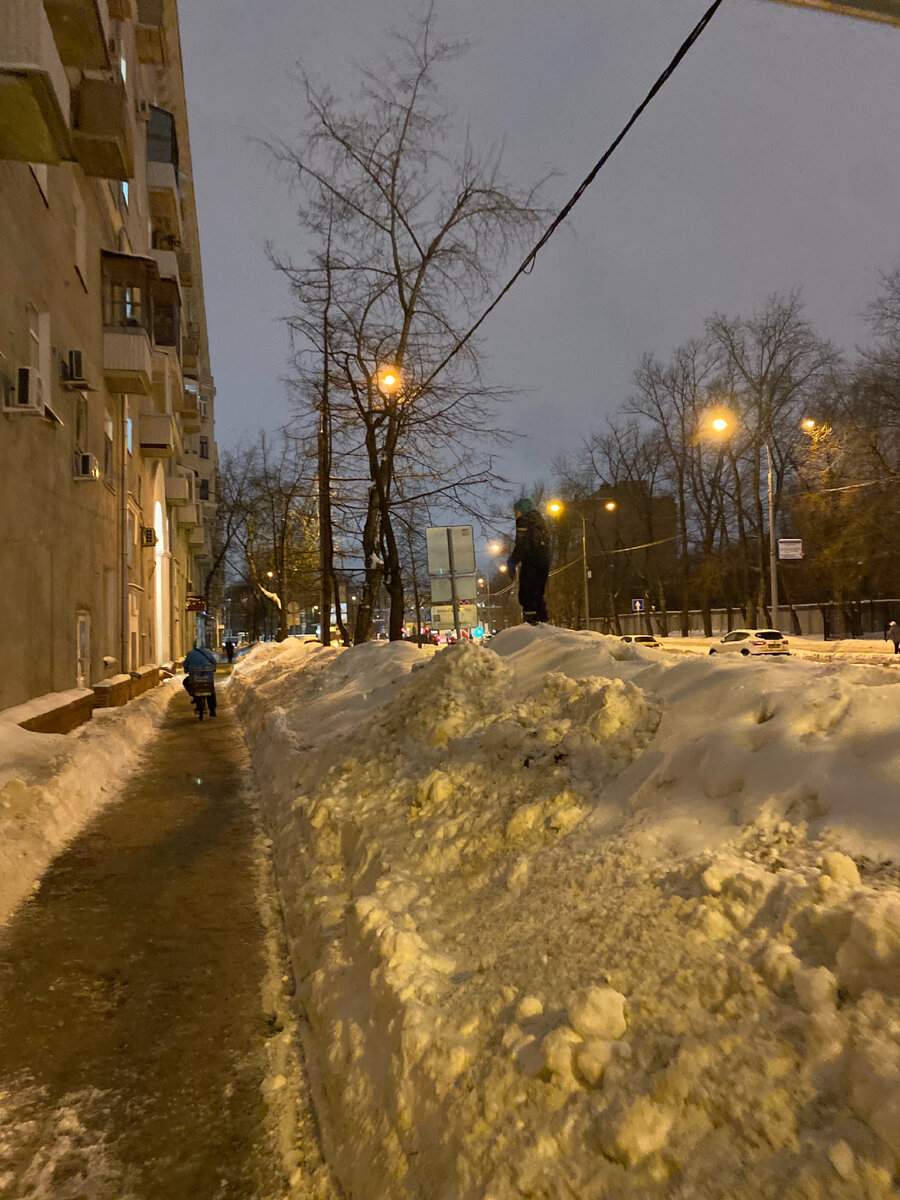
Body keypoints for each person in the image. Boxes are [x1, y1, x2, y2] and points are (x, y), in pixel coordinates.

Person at [507, 497, 551, 625]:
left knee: (527, 592)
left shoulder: (524, 522)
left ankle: (531, 622)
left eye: (517, 511)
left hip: (531, 560)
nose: (516, 514)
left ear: (523, 510)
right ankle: (543, 620)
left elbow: (522, 545)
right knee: (538, 592)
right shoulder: (540, 522)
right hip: (544, 561)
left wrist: (512, 561)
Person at [183, 639, 218, 716]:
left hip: (194, 679)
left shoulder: (190, 654)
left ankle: (193, 695)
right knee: (211, 691)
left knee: (185, 682)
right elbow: (214, 662)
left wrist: (186, 669)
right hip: (207, 678)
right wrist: (213, 668)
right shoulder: (208, 653)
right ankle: (212, 710)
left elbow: (185, 664)